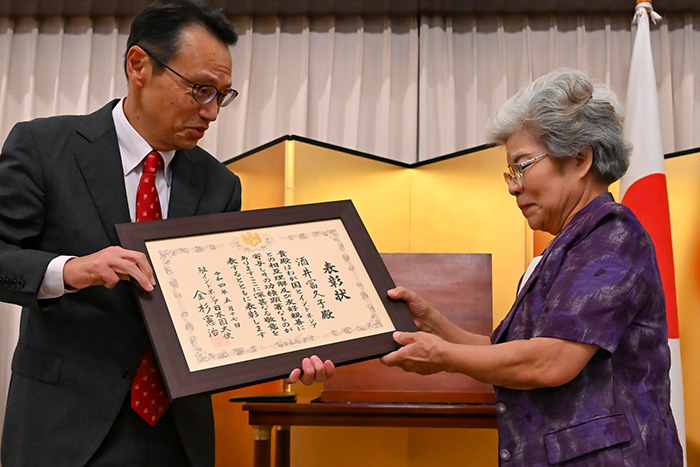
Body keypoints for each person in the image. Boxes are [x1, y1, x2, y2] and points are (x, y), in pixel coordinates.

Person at [0, 1, 332, 466]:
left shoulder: (220, 185)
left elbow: (226, 308)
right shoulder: (42, 146)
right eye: (200, 89)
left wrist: (293, 354)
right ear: (139, 66)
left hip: (177, 432)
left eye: (222, 95)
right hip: (64, 425)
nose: (212, 112)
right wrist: (71, 270)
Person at [381, 68, 682, 465]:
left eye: (522, 166)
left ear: (579, 158)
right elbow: (510, 353)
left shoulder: (614, 233)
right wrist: (435, 324)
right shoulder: (575, 243)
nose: (512, 186)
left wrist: (442, 356)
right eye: (510, 172)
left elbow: (551, 360)